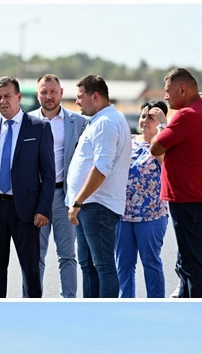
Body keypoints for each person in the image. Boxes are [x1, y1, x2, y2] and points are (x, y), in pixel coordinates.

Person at [0, 76, 55, 298]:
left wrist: (43, 209)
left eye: (7, 96)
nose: (3, 101)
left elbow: (48, 174)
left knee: (31, 272)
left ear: (18, 97)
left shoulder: (39, 128)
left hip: (26, 212)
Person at [150, 68, 202, 298]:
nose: (166, 97)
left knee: (193, 267)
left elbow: (155, 148)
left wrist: (162, 126)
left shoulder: (187, 115)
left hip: (190, 201)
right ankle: (185, 303)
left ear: (182, 89)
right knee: (187, 263)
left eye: (169, 91)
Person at [66, 75, 131, 298]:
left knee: (102, 266)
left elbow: (102, 167)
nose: (77, 102)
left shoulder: (106, 123)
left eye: (80, 97)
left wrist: (78, 201)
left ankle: (108, 315)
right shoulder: (101, 120)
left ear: (95, 96)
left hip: (97, 206)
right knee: (88, 265)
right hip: (89, 206)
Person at [25, 74, 88, 298]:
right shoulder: (27, 122)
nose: (49, 96)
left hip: (64, 197)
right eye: (44, 92)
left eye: (53, 92)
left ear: (61, 93)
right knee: (36, 256)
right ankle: (32, 300)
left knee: (67, 255)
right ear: (37, 94)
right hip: (36, 198)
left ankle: (69, 299)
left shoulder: (78, 122)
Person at [116, 101, 169, 298]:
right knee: (124, 265)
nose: (145, 120)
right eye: (143, 116)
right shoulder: (128, 140)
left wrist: (164, 125)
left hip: (152, 216)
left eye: (151, 117)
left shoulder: (163, 145)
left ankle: (156, 304)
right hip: (123, 215)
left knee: (151, 263)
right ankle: (125, 305)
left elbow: (169, 165)